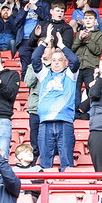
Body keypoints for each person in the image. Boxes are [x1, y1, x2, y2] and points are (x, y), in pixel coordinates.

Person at [31, 32, 80, 170]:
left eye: (60, 60)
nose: (57, 63)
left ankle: (67, 189)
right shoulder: (44, 74)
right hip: (45, 122)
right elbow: (35, 58)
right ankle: (46, 189)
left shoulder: (70, 74)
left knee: (66, 159)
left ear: (65, 62)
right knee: (45, 160)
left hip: (64, 122)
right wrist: (45, 42)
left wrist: (62, 46)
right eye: (54, 60)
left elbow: (75, 61)